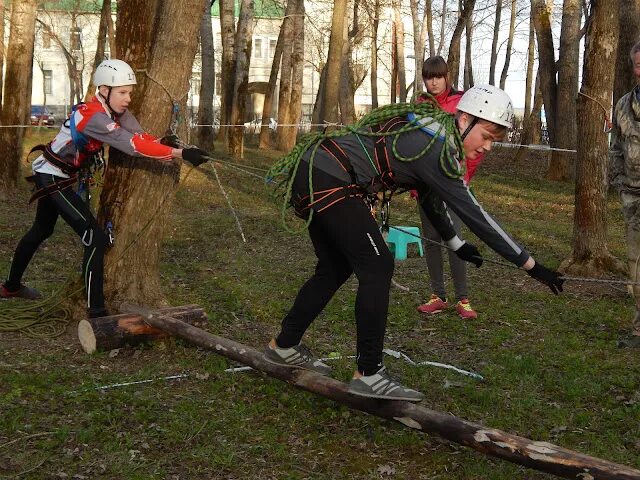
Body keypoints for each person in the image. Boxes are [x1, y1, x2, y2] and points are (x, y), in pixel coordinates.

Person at [263, 84, 564, 402]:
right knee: (378, 265)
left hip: (316, 169)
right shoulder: (436, 146)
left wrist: (456, 243)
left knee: (334, 268)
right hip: (331, 177)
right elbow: (476, 215)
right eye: (487, 136)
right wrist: (531, 266)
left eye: (495, 140)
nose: (488, 147)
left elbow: (430, 198)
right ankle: (369, 374)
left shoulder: (433, 135)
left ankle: (283, 345)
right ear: (464, 120)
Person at [0, 59, 209, 318]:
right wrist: (179, 153)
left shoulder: (115, 112)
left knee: (42, 229)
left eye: (129, 92)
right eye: (122, 92)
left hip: (62, 176)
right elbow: (130, 145)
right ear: (104, 90)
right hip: (51, 176)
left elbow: (140, 138)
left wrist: (169, 147)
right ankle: (96, 312)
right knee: (94, 237)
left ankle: (10, 287)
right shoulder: (92, 116)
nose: (128, 98)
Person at [415, 55, 483, 319]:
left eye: (438, 76)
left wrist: (462, 179)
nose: (434, 82)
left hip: (452, 185)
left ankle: (463, 299)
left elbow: (473, 148)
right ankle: (438, 295)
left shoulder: (461, 104)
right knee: (431, 240)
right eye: (429, 77)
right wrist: (414, 184)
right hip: (425, 186)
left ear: (447, 77)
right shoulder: (421, 105)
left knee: (454, 239)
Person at [609, 41, 640, 348]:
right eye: (639, 65)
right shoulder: (622, 104)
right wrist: (619, 177)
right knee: (635, 262)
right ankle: (639, 329)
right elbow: (616, 145)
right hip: (631, 192)